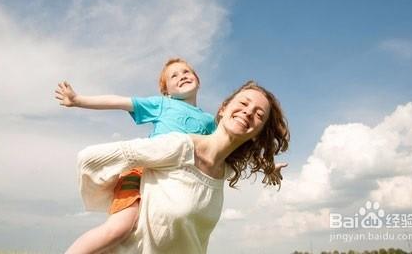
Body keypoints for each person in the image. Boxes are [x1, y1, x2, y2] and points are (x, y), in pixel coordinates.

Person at [77, 81, 290, 253]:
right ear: (224, 108)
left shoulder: (224, 171)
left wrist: (270, 170)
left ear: (257, 134)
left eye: (259, 114)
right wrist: (131, 189)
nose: (248, 112)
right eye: (243, 103)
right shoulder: (178, 146)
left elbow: (248, 164)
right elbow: (90, 159)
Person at [55, 58, 217, 253]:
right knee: (119, 229)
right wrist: (79, 100)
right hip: (140, 173)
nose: (182, 76)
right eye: (173, 76)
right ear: (166, 91)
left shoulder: (209, 122)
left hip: (173, 185)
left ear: (197, 80)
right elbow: (119, 101)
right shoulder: (163, 104)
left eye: (186, 72)